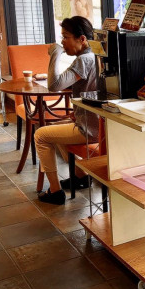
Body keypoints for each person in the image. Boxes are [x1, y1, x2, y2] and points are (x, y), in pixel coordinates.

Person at [35, 16, 98, 205]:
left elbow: (54, 85)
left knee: (41, 135)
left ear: (82, 39)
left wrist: (56, 54)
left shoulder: (83, 60)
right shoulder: (95, 55)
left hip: (89, 129)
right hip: (97, 124)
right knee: (56, 129)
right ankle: (80, 176)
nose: (62, 42)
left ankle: (55, 192)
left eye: (65, 37)